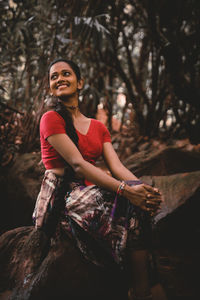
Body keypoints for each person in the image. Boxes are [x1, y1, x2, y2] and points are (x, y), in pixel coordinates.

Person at [33, 58, 167, 300]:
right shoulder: (50, 118)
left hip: (92, 189)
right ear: (50, 87)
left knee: (139, 204)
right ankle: (141, 290)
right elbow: (78, 164)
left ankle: (142, 288)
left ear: (80, 82)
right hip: (64, 196)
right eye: (54, 77)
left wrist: (143, 189)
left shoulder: (97, 126)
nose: (60, 79)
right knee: (128, 202)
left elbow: (117, 166)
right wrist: (126, 191)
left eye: (66, 73)